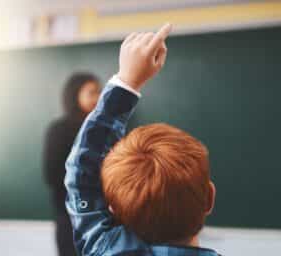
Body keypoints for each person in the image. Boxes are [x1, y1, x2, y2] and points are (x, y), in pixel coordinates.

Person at [65, 23, 220, 256]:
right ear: (209, 197)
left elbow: (81, 176)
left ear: (114, 209)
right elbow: (82, 180)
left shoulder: (103, 250)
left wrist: (127, 82)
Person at [43, 72, 101, 256]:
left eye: (99, 92)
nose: (98, 98)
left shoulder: (103, 128)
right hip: (70, 216)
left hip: (101, 216)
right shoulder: (59, 130)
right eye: (91, 92)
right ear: (75, 94)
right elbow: (51, 174)